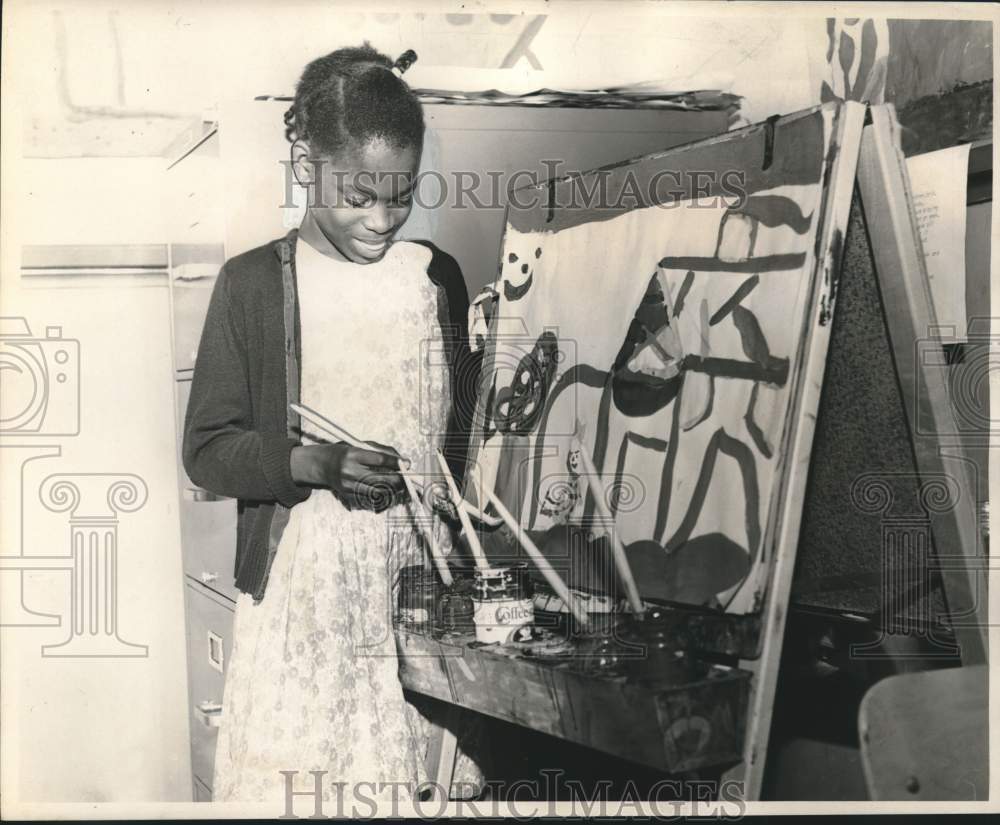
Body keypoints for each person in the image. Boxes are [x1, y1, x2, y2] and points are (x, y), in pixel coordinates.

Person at [183, 43, 483, 805]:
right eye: (358, 195)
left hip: (417, 587)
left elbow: (460, 443)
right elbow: (207, 450)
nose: (381, 219)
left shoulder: (433, 277)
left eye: (401, 194)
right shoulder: (252, 283)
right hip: (306, 600)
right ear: (305, 162)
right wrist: (315, 464)